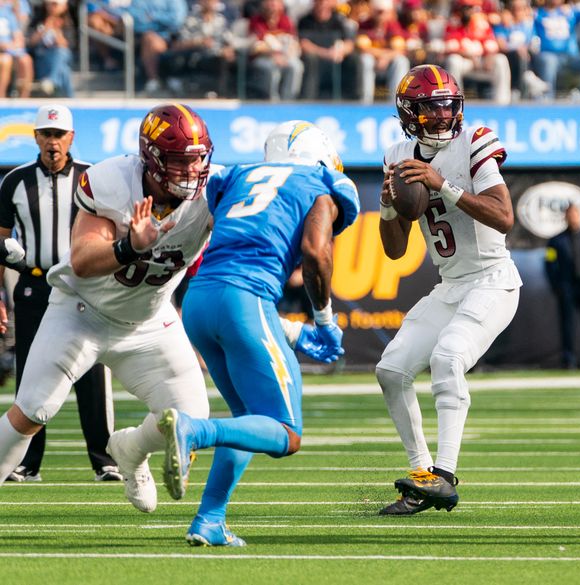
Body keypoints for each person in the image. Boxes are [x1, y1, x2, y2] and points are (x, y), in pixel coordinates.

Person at [0, 103, 215, 516]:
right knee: (33, 409)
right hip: (82, 313)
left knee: (193, 417)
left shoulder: (214, 191)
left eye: (196, 159)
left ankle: (130, 449)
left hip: (149, 321)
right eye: (177, 161)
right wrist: (129, 246)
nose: (190, 172)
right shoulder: (113, 181)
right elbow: (82, 258)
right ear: (151, 160)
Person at [155, 120, 360, 546]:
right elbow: (316, 250)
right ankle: (196, 431)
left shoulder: (236, 175)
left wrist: (298, 333)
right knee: (285, 432)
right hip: (245, 298)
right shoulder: (322, 180)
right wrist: (323, 319)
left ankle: (209, 520)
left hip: (201, 300)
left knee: (249, 419)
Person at [375, 64, 521, 515]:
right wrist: (387, 207)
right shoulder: (399, 154)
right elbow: (396, 250)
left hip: (493, 279)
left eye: (446, 106)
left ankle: (445, 474)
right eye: (429, 108)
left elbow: (503, 217)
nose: (441, 116)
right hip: (451, 283)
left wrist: (445, 186)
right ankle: (421, 476)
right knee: (391, 369)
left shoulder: (474, 141)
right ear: (408, 114)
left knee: (449, 356)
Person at [0, 105, 120, 483]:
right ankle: (27, 462)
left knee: (93, 371)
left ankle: (105, 459)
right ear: (35, 136)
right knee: (31, 372)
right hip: (34, 284)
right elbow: (0, 241)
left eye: (59, 134)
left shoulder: (91, 177)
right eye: (46, 134)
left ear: (71, 137)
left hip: (84, 284)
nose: (53, 142)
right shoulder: (15, 181)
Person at [544, 202, 580, 369]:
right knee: (568, 326)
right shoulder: (555, 241)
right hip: (567, 289)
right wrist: (557, 286)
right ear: (565, 217)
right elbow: (549, 264)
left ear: (579, 215)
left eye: (575, 214)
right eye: (569, 215)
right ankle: (568, 361)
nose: (572, 218)